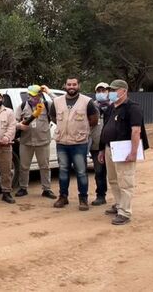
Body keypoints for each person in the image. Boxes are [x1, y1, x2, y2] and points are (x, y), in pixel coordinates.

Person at [98, 79, 149, 225]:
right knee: (113, 179)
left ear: (124, 91)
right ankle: (119, 205)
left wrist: (133, 152)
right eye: (111, 90)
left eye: (114, 90)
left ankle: (125, 212)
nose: (111, 93)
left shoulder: (133, 108)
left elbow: (136, 131)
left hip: (124, 150)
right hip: (109, 148)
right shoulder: (110, 108)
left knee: (125, 181)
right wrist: (102, 149)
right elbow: (105, 129)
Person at [47, 77, 99, 211]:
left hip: (79, 143)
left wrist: (80, 130)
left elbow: (93, 120)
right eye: (69, 84)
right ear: (65, 85)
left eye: (74, 84)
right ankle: (63, 197)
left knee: (81, 172)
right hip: (62, 143)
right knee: (63, 171)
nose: (71, 86)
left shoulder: (87, 102)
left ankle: (83, 199)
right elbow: (53, 117)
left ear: (78, 86)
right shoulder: (57, 102)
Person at [14, 85, 57, 199]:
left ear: (39, 95)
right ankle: (23, 188)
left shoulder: (47, 105)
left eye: (33, 96)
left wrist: (49, 91)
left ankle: (46, 189)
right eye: (29, 95)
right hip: (26, 142)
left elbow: (59, 102)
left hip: (42, 141)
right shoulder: (22, 106)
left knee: (45, 166)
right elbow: (13, 122)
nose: (30, 98)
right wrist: (19, 125)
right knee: (24, 166)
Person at [89, 82, 110, 206]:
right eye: (99, 91)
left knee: (116, 174)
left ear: (109, 91)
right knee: (99, 172)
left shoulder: (115, 105)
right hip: (97, 145)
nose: (101, 93)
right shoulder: (92, 106)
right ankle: (101, 195)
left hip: (113, 146)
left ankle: (120, 200)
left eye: (104, 90)